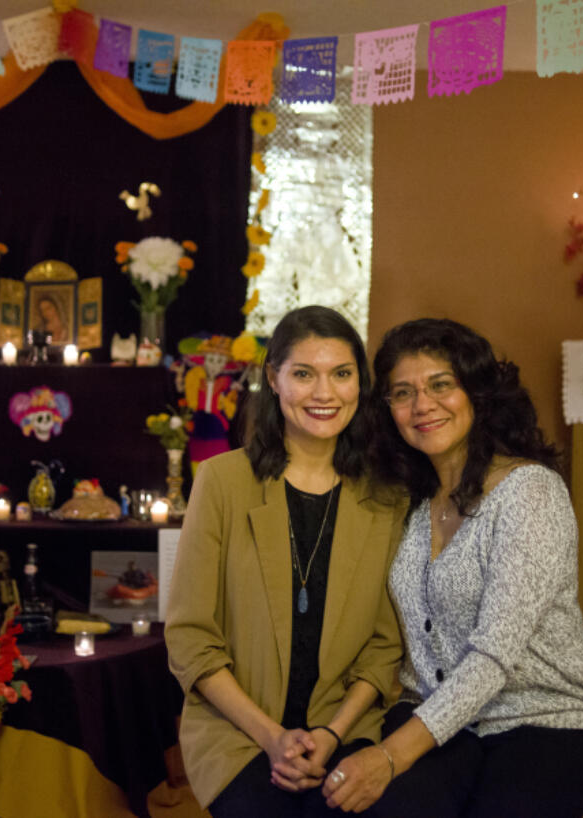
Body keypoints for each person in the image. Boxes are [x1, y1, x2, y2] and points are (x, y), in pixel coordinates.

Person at [321, 318, 583, 817]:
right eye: (402, 393)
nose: (421, 405)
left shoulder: (529, 492)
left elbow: (494, 655)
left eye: (440, 385)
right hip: (432, 713)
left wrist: (388, 757)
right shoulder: (407, 501)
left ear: (476, 392)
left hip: (539, 719)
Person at [165, 306, 405, 817]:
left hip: (345, 726)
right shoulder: (222, 482)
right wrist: (272, 737)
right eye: (303, 374)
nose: (325, 394)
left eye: (341, 374)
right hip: (239, 732)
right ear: (273, 378)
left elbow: (385, 647)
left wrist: (332, 732)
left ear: (360, 384)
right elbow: (190, 638)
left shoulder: (386, 499)